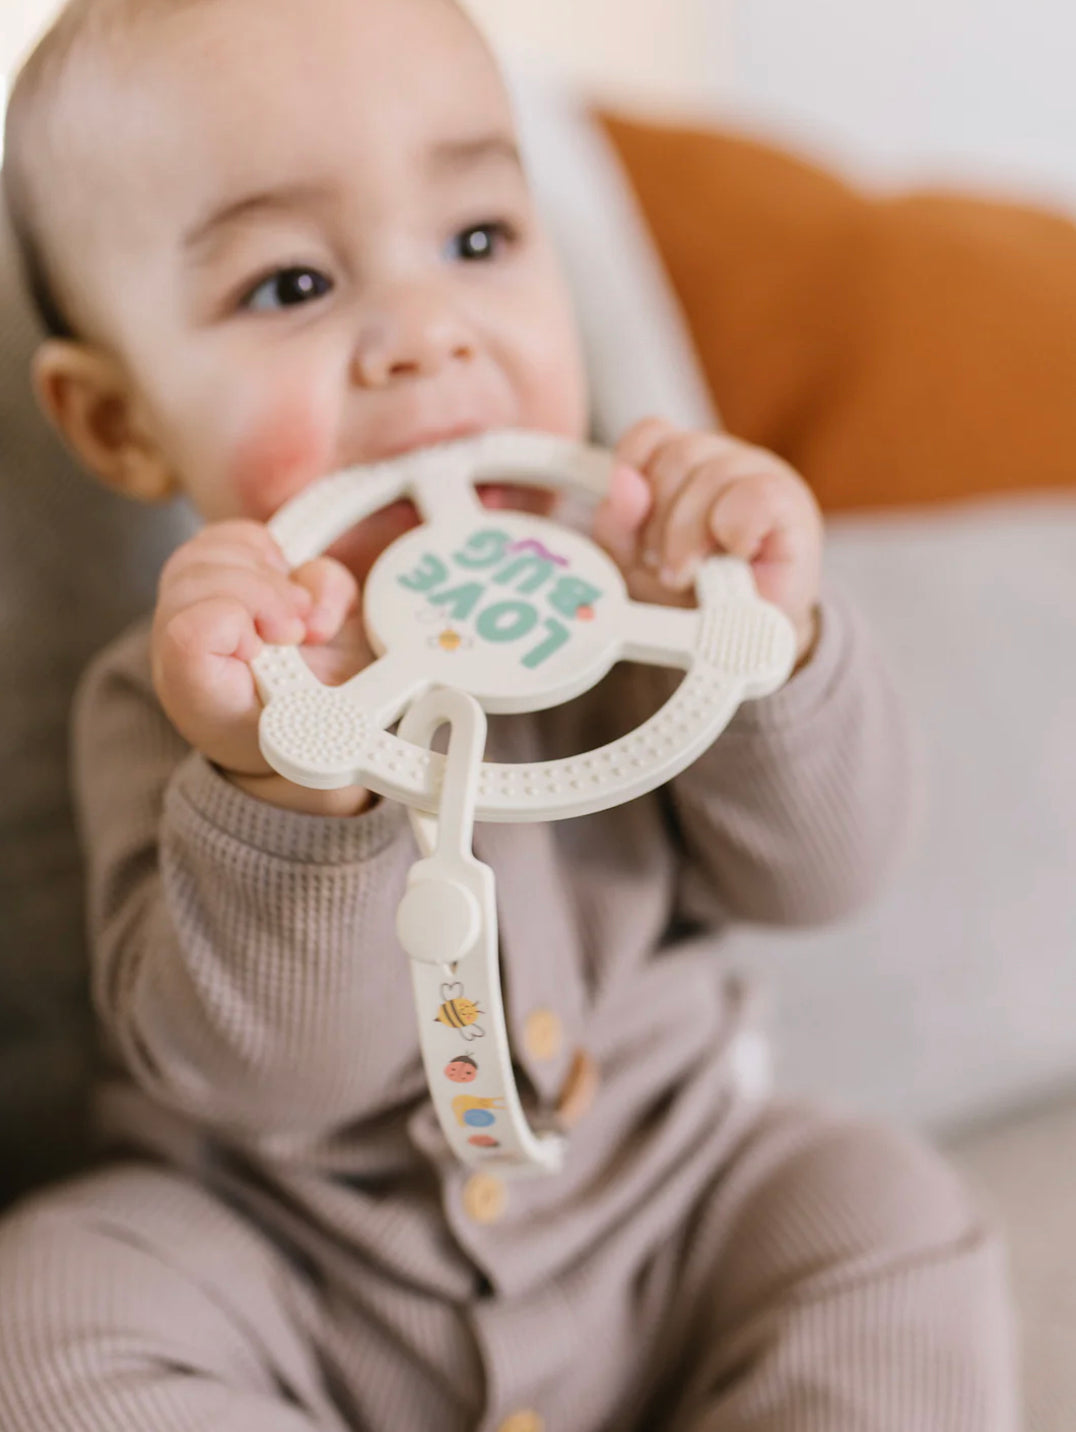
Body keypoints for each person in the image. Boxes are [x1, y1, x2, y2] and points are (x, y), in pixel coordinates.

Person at [0, 0, 1018, 1427]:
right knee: (46, 1309)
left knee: (883, 1215)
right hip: (304, 1272)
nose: (425, 335)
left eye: (477, 242)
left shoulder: (644, 597)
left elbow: (829, 871)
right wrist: (289, 779)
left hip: (664, 1217)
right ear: (121, 423)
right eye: (292, 285)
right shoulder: (176, 700)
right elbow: (273, 1074)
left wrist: (765, 640)